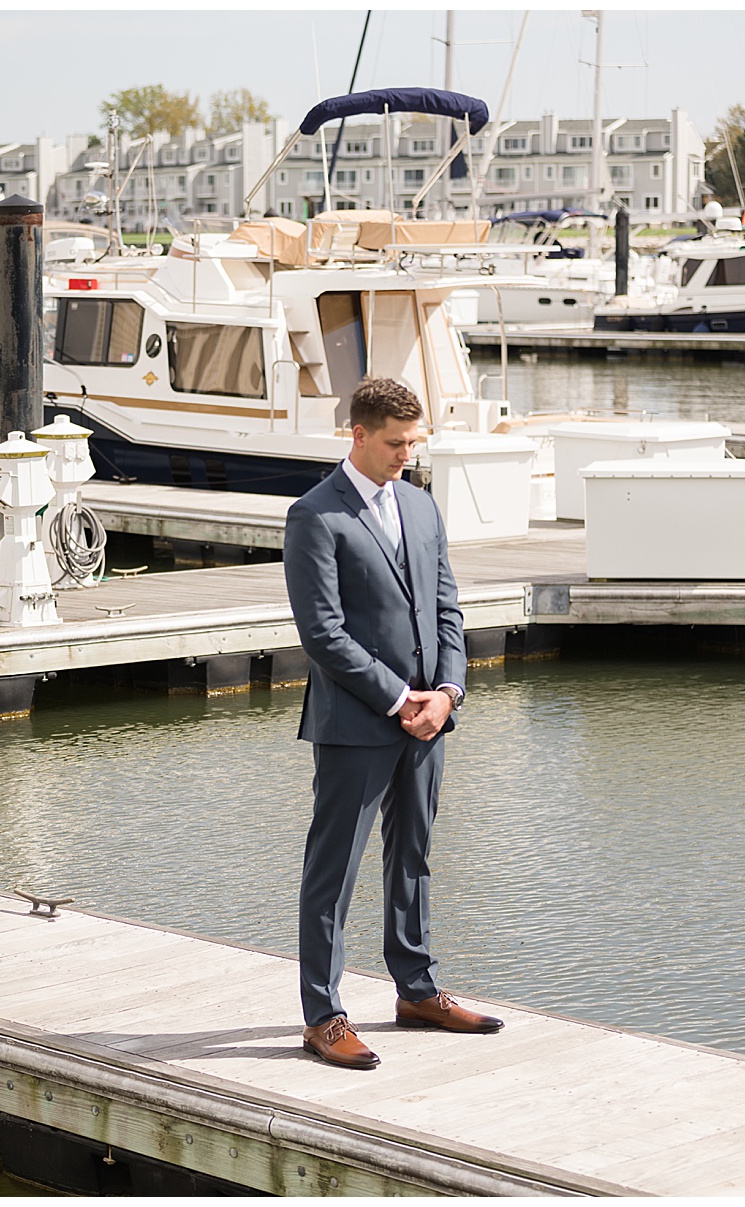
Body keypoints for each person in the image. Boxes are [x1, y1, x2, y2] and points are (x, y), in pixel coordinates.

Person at [281, 377, 502, 1071]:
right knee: (334, 871)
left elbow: (447, 607)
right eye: (395, 442)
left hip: (429, 720)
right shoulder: (314, 515)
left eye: (415, 442)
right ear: (358, 434)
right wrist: (396, 698)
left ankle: (417, 989)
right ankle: (323, 1015)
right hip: (356, 723)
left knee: (413, 856)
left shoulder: (421, 505)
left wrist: (447, 692)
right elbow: (322, 632)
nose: (407, 454)